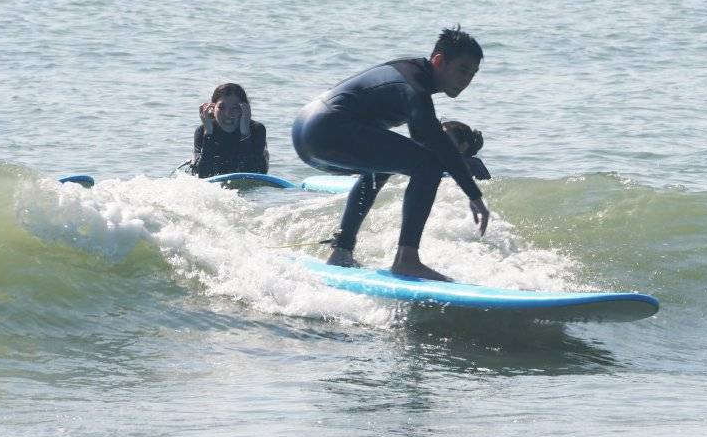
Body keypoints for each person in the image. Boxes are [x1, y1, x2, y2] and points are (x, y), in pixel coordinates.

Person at [291, 26, 489, 281]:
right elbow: (437, 147)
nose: (467, 80)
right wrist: (474, 194)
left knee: (384, 165)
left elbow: (423, 141)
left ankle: (342, 250)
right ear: (439, 61)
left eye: (473, 74)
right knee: (427, 165)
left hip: (307, 129)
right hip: (326, 128)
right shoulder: (416, 90)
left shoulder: (411, 74)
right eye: (462, 70)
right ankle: (406, 259)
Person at [190, 82, 269, 178]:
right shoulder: (203, 130)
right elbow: (201, 175)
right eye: (221, 107)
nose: (227, 114)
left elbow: (251, 173)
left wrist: (245, 133)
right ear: (213, 109)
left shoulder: (256, 129)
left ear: (244, 109)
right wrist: (208, 133)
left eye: (235, 108)